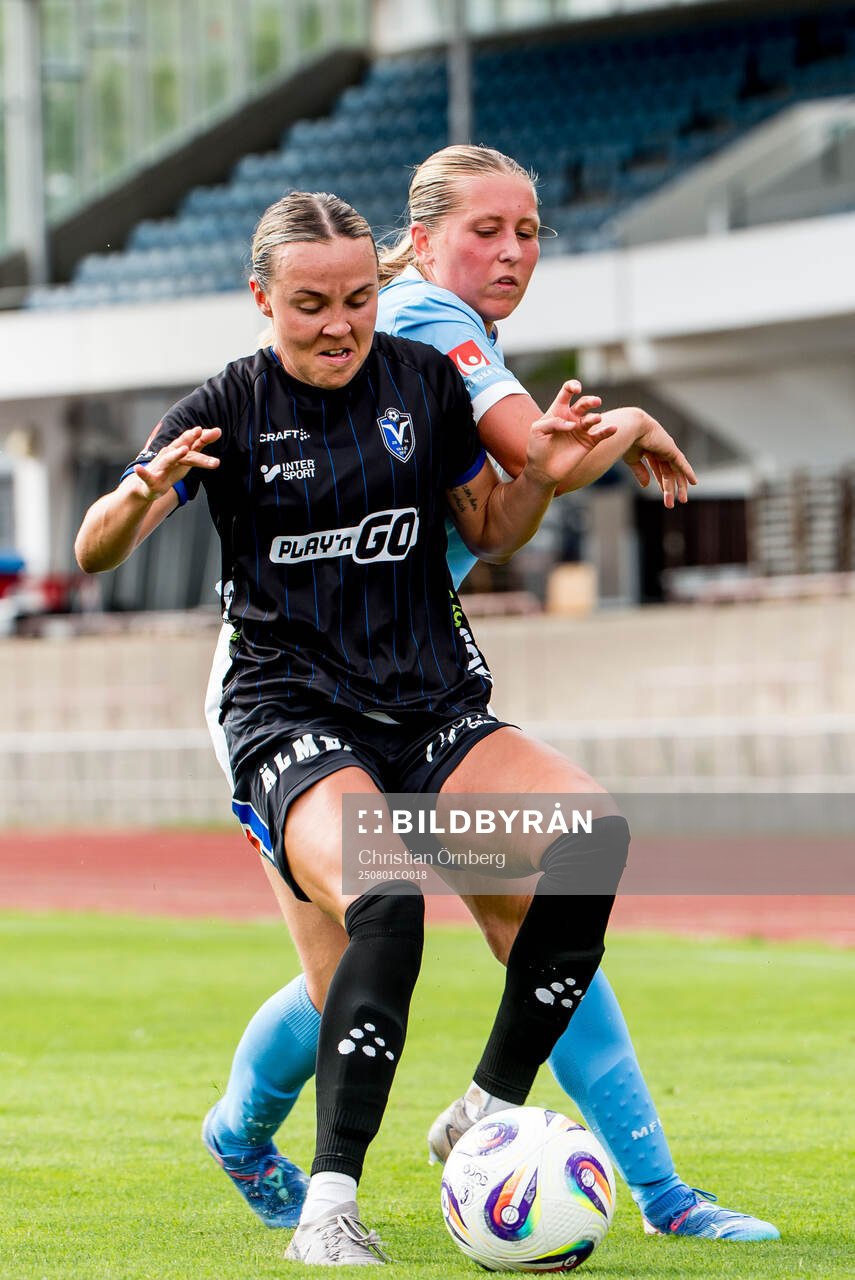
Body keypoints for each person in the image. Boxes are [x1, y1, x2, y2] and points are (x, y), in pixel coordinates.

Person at [200, 149, 779, 1244]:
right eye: (485, 230)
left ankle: (649, 1186)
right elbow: (533, 450)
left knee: (539, 918)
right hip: (298, 688)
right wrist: (629, 422)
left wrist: (595, 439)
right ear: (418, 244)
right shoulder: (427, 319)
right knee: (351, 981)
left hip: (411, 688)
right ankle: (245, 1132)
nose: (511, 252)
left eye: (529, 231)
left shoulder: (441, 327)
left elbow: (500, 507)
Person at [74, 190, 635, 1266]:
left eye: (360, 299)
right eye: (311, 304)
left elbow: (493, 529)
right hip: (292, 710)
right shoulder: (225, 406)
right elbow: (99, 546)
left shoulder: (424, 381)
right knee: (388, 900)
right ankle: (330, 1206)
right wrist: (140, 495)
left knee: (590, 838)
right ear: (261, 299)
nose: (340, 323)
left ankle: (486, 1108)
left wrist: (543, 470)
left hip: (428, 701)